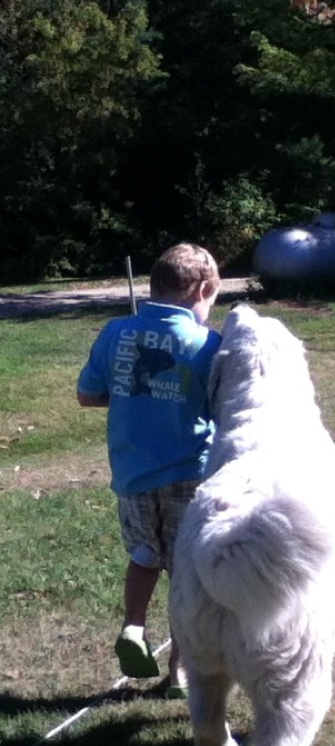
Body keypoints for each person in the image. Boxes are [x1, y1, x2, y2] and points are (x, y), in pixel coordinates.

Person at [77, 243, 221, 693]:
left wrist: (129, 396)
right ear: (203, 289)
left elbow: (87, 394)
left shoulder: (116, 330)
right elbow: (220, 407)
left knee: (143, 555)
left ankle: (133, 627)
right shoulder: (207, 344)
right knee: (187, 572)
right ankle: (179, 669)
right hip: (189, 473)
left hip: (132, 474)